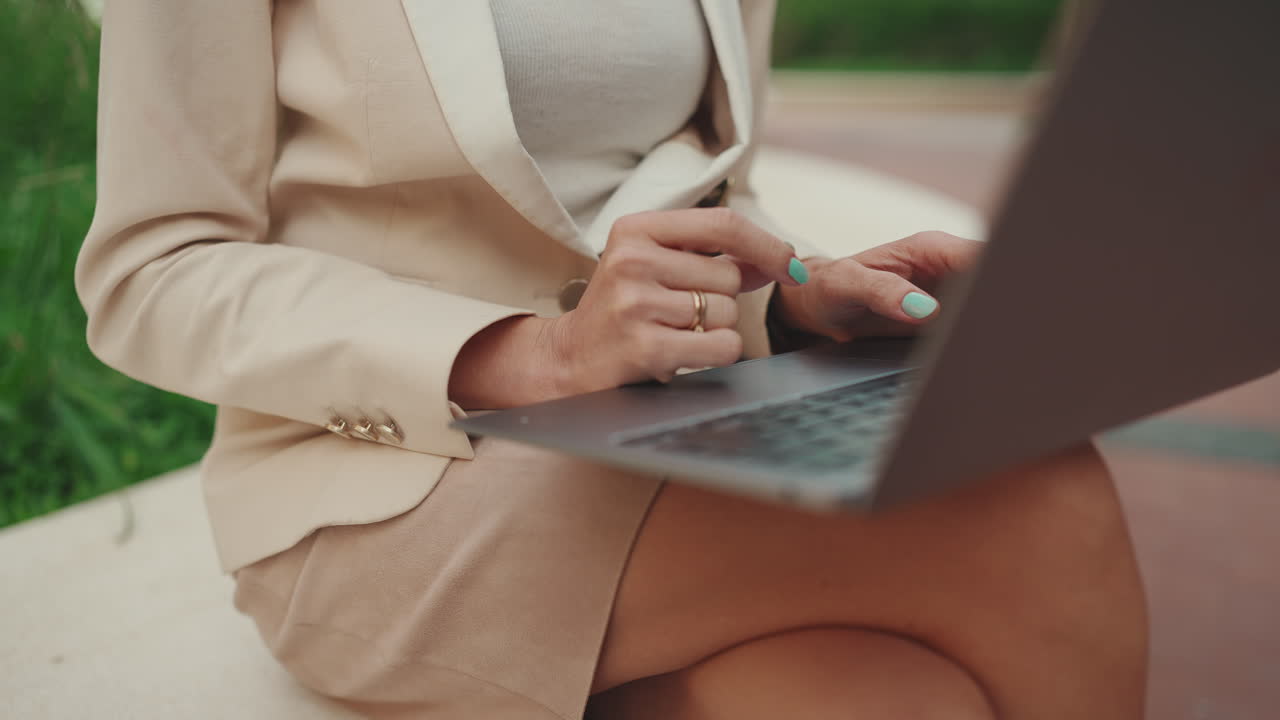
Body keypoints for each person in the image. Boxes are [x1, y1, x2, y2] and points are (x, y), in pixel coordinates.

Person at [75, 2, 1147, 718]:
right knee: (1028, 496)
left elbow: (699, 194)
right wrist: (534, 355)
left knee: (887, 699)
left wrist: (799, 295)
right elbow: (154, 267)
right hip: (383, 485)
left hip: (662, 427)